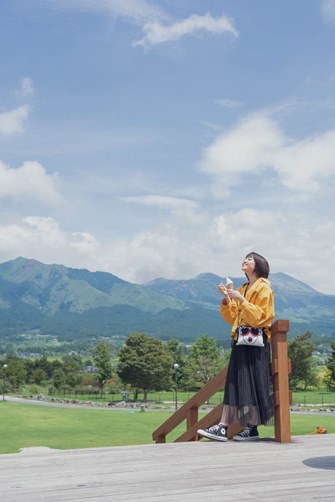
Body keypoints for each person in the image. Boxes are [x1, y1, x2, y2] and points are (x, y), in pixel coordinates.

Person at [197, 252, 275, 442]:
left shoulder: (265, 289)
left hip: (257, 343)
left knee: (254, 384)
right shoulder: (243, 288)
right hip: (241, 341)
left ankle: (250, 427)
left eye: (249, 259)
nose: (245, 260)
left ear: (258, 265)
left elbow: (260, 317)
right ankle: (224, 426)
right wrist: (227, 299)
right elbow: (233, 318)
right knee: (233, 382)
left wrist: (241, 299)